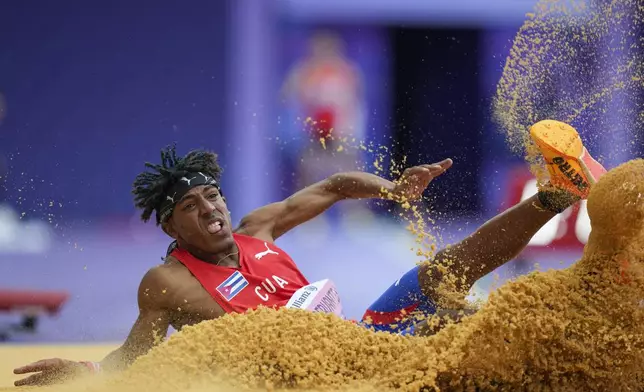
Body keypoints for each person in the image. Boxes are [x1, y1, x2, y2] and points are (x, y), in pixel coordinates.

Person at [12, 119, 606, 386]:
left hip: (359, 341)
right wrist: (88, 373)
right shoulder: (166, 282)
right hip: (320, 381)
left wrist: (391, 189)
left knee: (438, 276)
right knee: (462, 341)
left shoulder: (258, 229)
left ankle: (558, 193)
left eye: (212, 195)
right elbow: (137, 355)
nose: (210, 210)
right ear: (171, 224)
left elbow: (332, 187)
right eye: (190, 207)